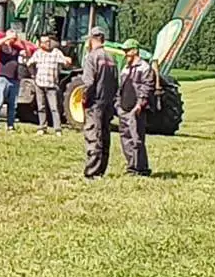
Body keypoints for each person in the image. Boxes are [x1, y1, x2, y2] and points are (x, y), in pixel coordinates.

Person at [81, 26, 118, 179]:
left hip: (95, 103)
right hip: (108, 103)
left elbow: (88, 82)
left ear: (92, 39)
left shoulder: (92, 57)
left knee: (93, 135)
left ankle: (92, 171)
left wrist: (84, 98)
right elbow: (116, 82)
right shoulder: (111, 58)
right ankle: (102, 169)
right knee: (105, 135)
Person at [118, 38, 155, 177]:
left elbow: (147, 88)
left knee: (136, 140)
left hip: (136, 110)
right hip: (124, 109)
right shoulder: (125, 69)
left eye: (127, 51)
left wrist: (140, 105)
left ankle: (141, 168)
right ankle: (131, 167)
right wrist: (118, 105)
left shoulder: (144, 68)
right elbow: (120, 88)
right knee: (125, 139)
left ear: (135, 51)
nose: (125, 54)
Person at [27, 34, 72, 134]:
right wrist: (33, 75)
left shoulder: (56, 53)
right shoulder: (38, 53)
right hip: (39, 84)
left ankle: (57, 129)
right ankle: (42, 127)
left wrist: (68, 61)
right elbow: (29, 64)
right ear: (40, 44)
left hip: (51, 85)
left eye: (49, 41)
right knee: (41, 107)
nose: (48, 44)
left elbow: (65, 62)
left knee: (54, 108)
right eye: (45, 42)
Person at [0, 29, 26, 130]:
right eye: (12, 37)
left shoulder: (16, 49)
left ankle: (10, 125)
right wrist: (7, 38)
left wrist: (21, 41)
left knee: (12, 104)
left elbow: (27, 53)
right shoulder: (2, 47)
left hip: (14, 78)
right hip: (2, 78)